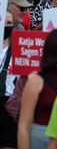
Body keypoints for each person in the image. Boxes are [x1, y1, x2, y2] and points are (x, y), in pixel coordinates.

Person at [0, 10, 17, 148]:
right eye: (4, 23)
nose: (7, 26)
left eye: (10, 23)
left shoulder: (19, 51)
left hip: (8, 105)